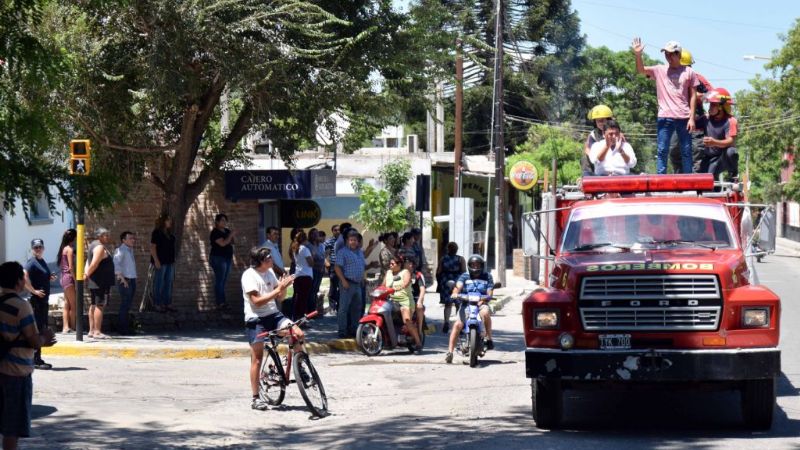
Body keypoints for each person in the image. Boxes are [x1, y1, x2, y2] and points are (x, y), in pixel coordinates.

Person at [0, 261, 57, 450]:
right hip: (15, 372)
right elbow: (34, 341)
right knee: (11, 428)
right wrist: (45, 338)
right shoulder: (21, 306)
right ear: (19, 282)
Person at [241, 246, 298, 411]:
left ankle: (300, 367)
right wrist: (279, 289)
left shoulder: (270, 272)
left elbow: (280, 298)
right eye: (268, 258)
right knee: (257, 358)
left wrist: (284, 288)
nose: (272, 260)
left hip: (273, 315)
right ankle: (255, 398)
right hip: (256, 319)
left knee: (297, 333)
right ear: (260, 261)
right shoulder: (249, 276)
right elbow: (256, 302)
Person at [633, 38, 698, 174]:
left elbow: (693, 96)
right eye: (666, 54)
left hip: (684, 117)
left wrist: (692, 118)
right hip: (665, 116)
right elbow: (641, 70)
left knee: (686, 150)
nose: (668, 57)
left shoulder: (689, 72)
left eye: (671, 54)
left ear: (678, 54)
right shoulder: (659, 69)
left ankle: (688, 179)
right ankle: (661, 179)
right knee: (662, 149)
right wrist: (638, 55)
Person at [669, 48, 714, 174]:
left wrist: (699, 95)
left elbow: (712, 94)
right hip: (677, 121)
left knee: (696, 152)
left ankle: (695, 181)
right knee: (674, 151)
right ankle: (679, 178)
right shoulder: (671, 78)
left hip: (696, 122)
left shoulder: (698, 78)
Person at [445, 255, 494, 364]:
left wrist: (485, 298)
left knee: (486, 313)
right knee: (457, 325)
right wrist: (455, 293)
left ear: (482, 266)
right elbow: (458, 286)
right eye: (473, 265)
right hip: (466, 304)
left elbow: (490, 292)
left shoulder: (487, 276)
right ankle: (450, 352)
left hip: (481, 303)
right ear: (469, 266)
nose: (475, 267)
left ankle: (489, 338)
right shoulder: (464, 276)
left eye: (478, 265)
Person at [23, 239, 55, 369]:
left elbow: (40, 276)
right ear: (32, 249)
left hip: (43, 301)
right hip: (37, 302)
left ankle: (36, 358)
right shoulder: (32, 262)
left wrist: (49, 277)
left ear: (43, 248)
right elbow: (24, 276)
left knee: (41, 328)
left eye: (40, 247)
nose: (38, 249)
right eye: (35, 247)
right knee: (37, 330)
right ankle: (35, 359)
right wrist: (34, 291)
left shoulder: (41, 261)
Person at [383, 254, 423, 350]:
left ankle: (418, 343)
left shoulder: (405, 272)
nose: (390, 265)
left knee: (407, 321)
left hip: (405, 301)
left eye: (392, 264)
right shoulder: (388, 273)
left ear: (399, 264)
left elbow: (406, 282)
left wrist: (399, 287)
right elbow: (383, 285)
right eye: (390, 263)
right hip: (391, 300)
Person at [334, 229, 366, 338]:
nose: (353, 242)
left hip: (358, 284)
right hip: (347, 283)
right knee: (343, 308)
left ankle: (354, 329)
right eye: (351, 240)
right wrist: (343, 280)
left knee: (356, 308)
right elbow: (337, 267)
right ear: (347, 241)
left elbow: (362, 266)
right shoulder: (342, 252)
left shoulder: (360, 252)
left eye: (355, 240)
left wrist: (362, 278)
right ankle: (342, 331)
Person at [701, 88, 739, 180]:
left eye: (713, 105)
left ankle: (733, 174)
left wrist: (714, 142)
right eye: (710, 104)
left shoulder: (731, 121)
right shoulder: (705, 119)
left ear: (721, 107)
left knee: (731, 152)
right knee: (708, 180)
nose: (710, 107)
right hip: (709, 157)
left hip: (723, 158)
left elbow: (731, 141)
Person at [86, 227, 115, 339]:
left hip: (97, 280)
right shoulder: (99, 247)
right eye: (105, 235)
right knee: (99, 305)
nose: (107, 237)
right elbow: (94, 264)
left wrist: (87, 274)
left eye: (107, 235)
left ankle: (92, 330)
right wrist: (87, 275)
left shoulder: (93, 245)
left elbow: (89, 263)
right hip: (100, 281)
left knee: (94, 304)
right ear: (99, 236)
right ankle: (97, 332)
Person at [436, 242, 466, 334]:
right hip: (457, 282)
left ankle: (446, 322)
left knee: (448, 304)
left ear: (448, 249)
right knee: (458, 304)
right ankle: (459, 324)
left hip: (445, 281)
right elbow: (464, 272)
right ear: (457, 250)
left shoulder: (443, 259)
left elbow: (438, 271)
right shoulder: (460, 259)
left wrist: (439, 283)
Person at [583, 105, 621, 177]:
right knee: (584, 158)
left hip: (613, 159)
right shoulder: (593, 134)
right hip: (598, 160)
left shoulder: (617, 133)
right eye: (598, 121)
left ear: (608, 120)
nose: (600, 123)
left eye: (602, 120)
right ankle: (587, 177)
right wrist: (594, 157)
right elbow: (587, 149)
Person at [150, 214, 177, 313]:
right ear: (163, 221)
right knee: (159, 283)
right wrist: (156, 261)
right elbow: (152, 248)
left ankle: (167, 303)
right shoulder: (157, 232)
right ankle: (157, 304)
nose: (170, 222)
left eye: (170, 220)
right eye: (168, 220)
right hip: (161, 262)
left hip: (170, 262)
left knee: (169, 283)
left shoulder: (170, 233)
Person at [209, 213, 236, 311]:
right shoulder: (215, 232)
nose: (224, 222)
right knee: (220, 281)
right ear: (217, 222)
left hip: (227, 258)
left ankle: (222, 302)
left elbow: (232, 242)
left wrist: (231, 236)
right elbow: (223, 243)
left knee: (223, 281)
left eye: (225, 220)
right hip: (218, 258)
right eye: (222, 220)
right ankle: (220, 303)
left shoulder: (227, 231)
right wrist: (231, 235)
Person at [113, 231, 137, 335]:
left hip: (131, 279)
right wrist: (122, 279)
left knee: (127, 305)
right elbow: (116, 264)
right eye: (130, 238)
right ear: (124, 240)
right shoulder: (121, 250)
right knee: (125, 304)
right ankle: (122, 329)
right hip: (125, 280)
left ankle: (125, 327)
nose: (133, 240)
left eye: (133, 238)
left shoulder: (130, 250)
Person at [56, 229, 77, 333]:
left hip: (63, 277)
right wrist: (76, 280)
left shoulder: (63, 248)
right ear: (74, 238)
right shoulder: (69, 249)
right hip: (69, 277)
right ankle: (72, 327)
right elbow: (71, 267)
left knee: (66, 303)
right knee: (73, 304)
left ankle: (65, 327)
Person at [290, 230, 313, 320]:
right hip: (306, 275)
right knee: (303, 299)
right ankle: (301, 319)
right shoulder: (304, 249)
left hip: (298, 274)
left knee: (298, 298)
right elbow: (311, 263)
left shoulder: (295, 248)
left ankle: (295, 317)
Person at [404, 255, 427, 339]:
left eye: (406, 262)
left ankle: (419, 331)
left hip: (415, 298)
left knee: (419, 307)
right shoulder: (401, 274)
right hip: (403, 298)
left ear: (411, 264)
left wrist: (420, 301)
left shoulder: (418, 275)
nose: (405, 264)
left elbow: (422, 289)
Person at [308, 228, 326, 316]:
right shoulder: (309, 246)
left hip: (320, 270)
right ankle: (310, 310)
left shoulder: (322, 245)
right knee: (311, 290)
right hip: (313, 270)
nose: (315, 235)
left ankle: (314, 310)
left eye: (317, 234)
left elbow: (323, 257)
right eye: (313, 234)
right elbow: (311, 259)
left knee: (316, 290)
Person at [323, 224, 341, 313]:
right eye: (335, 230)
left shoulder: (344, 241)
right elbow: (323, 252)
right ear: (332, 231)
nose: (337, 231)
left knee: (342, 287)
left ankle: (339, 306)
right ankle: (332, 307)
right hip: (333, 266)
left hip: (343, 267)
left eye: (339, 230)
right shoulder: (329, 241)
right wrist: (326, 262)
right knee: (333, 287)